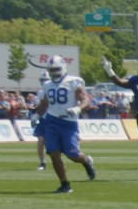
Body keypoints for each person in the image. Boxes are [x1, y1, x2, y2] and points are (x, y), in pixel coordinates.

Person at [34, 53, 97, 193]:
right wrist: (36, 115)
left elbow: (85, 100)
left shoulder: (73, 81)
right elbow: (44, 103)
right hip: (51, 121)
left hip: (68, 123)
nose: (54, 73)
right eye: (51, 70)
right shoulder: (47, 85)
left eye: (56, 69)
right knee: (53, 153)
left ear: (63, 67)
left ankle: (86, 161)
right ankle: (65, 184)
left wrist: (78, 108)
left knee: (73, 155)